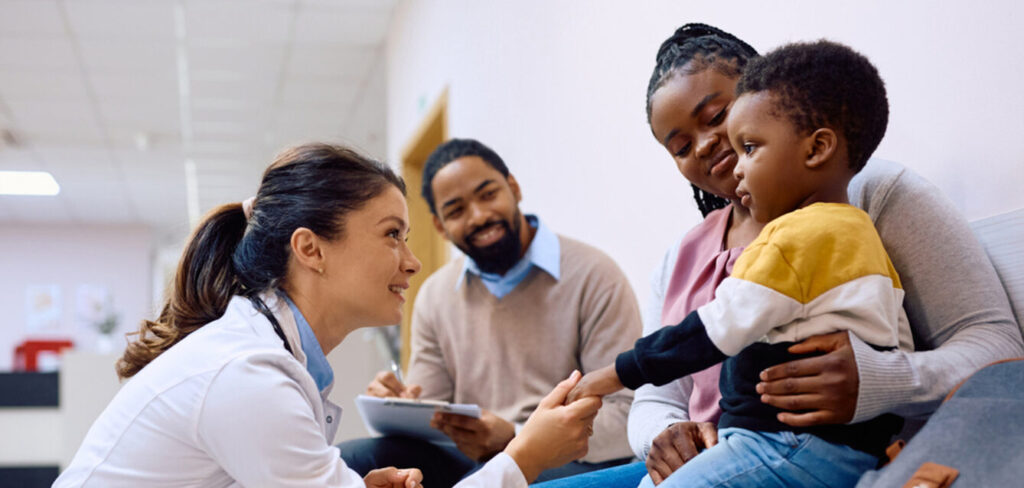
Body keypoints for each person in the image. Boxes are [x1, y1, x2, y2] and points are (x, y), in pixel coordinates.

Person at [534, 23, 1021, 488]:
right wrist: (662, 437)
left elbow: (997, 346)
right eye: (680, 146)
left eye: (716, 116)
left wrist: (880, 381)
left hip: (826, 458)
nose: (704, 145)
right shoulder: (683, 255)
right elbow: (656, 399)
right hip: (718, 457)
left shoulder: (871, 197)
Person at [54, 143, 604, 488]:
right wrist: (527, 454)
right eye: (392, 235)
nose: (412, 263)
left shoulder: (261, 357)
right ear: (311, 249)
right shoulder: (247, 375)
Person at [570, 39, 914, 487]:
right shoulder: (857, 232)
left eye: (745, 143)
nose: (728, 159)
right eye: (679, 146)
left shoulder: (792, 238)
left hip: (785, 446)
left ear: (816, 148)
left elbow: (713, 330)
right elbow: (898, 339)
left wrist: (609, 376)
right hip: (848, 452)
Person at [338, 138, 642, 486]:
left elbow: (625, 415)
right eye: (456, 211)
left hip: (568, 455)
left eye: (488, 195)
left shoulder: (594, 275)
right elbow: (431, 416)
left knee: (486, 477)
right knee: (354, 461)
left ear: (513, 188)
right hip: (470, 458)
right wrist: (397, 406)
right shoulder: (436, 295)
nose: (479, 216)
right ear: (440, 226)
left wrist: (515, 436)